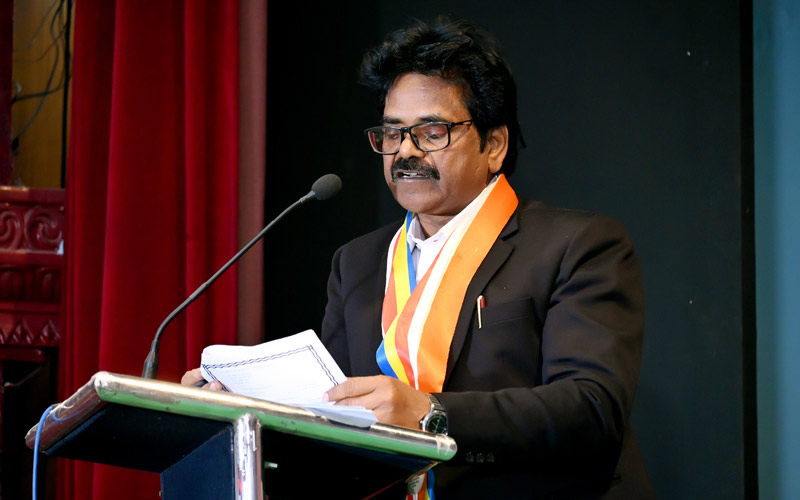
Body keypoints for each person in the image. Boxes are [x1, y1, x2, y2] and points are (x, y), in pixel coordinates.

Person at [184, 17, 653, 499]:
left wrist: (431, 414)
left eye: (432, 132)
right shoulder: (358, 262)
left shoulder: (578, 244)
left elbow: (592, 408)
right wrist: (248, 409)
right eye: (392, 134)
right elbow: (334, 413)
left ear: (494, 145)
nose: (405, 151)